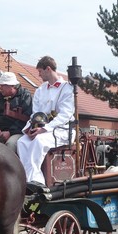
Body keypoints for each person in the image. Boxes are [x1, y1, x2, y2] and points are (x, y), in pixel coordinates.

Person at [17, 56, 75, 185]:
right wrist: (29, 129)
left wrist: (44, 129)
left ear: (48, 69)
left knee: (38, 141)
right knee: (22, 141)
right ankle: (27, 177)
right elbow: (35, 114)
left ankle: (35, 180)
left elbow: (65, 115)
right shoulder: (40, 90)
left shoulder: (67, 88)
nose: (39, 75)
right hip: (43, 130)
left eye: (40, 71)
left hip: (62, 130)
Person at [0, 72, 33, 152]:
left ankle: (10, 164)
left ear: (12, 86)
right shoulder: (0, 98)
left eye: (3, 85)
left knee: (11, 144)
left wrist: (10, 132)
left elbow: (26, 120)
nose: (0, 88)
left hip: (17, 132)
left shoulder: (25, 96)